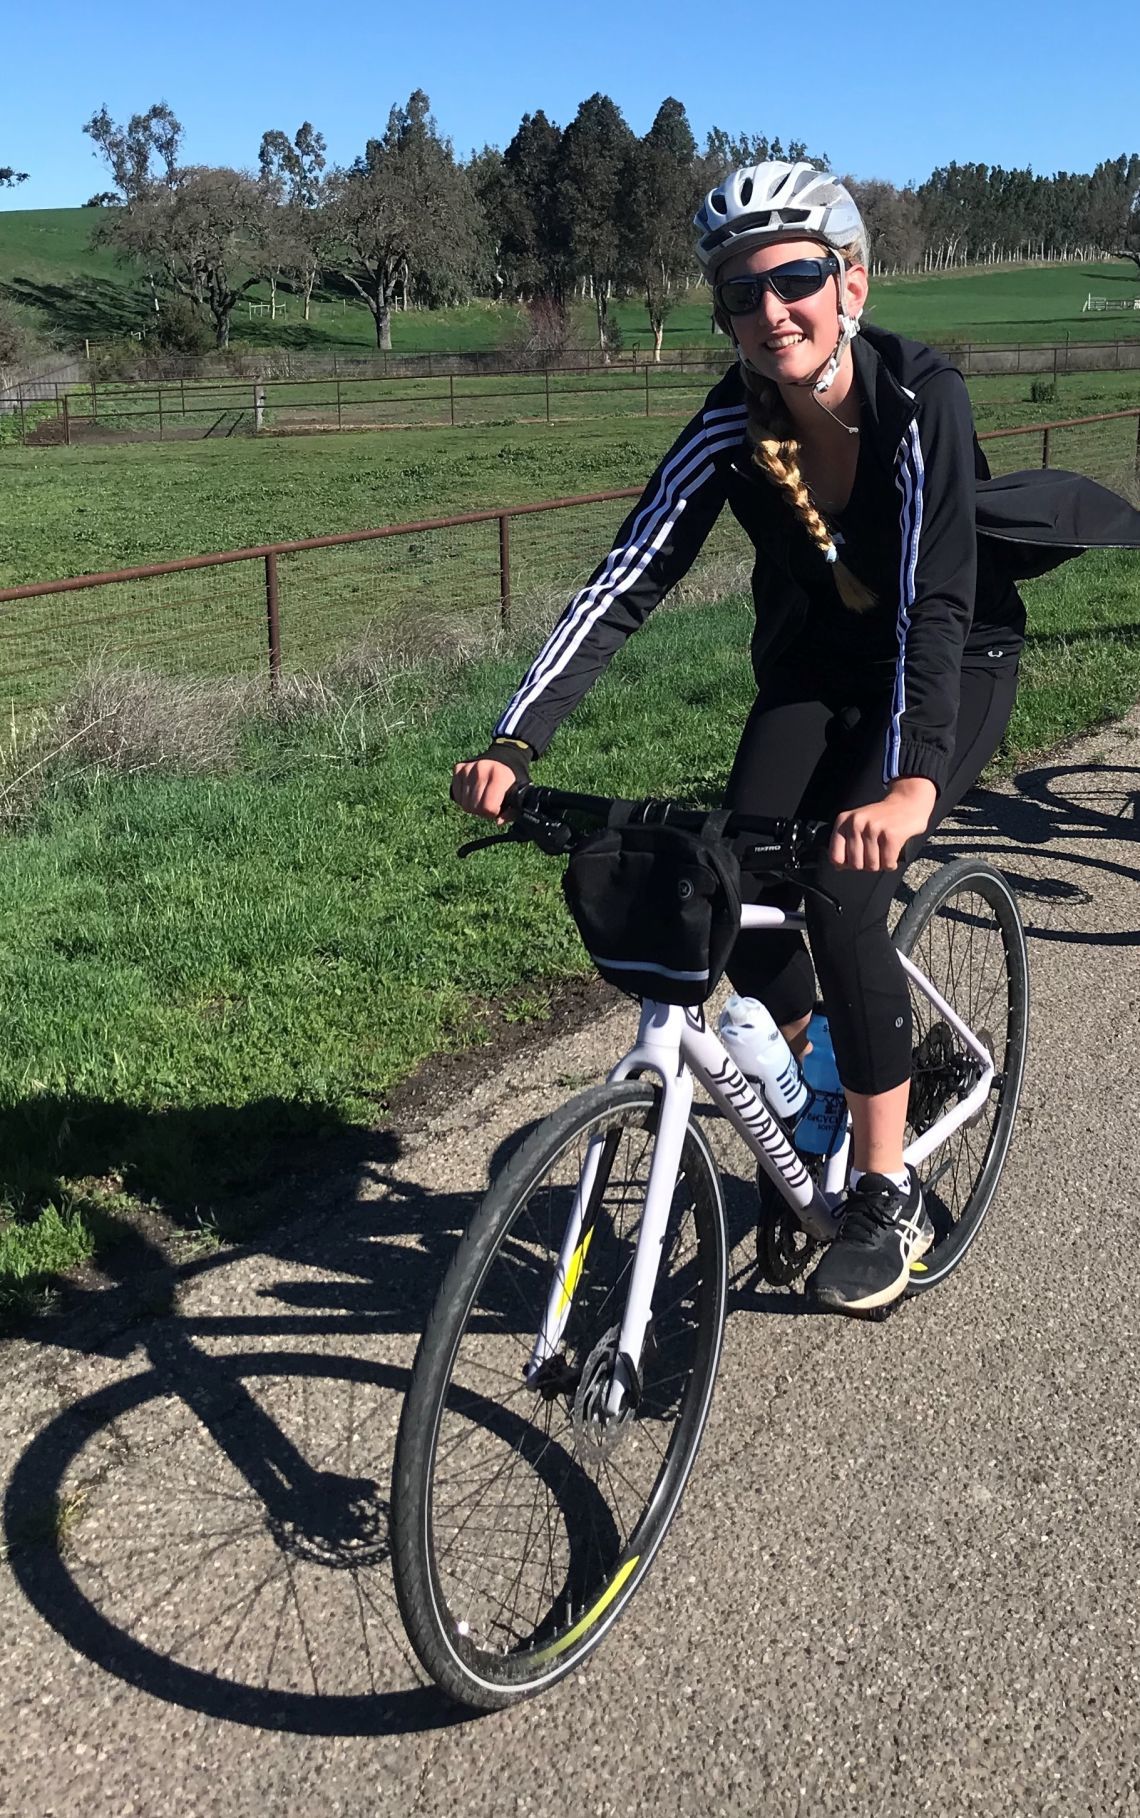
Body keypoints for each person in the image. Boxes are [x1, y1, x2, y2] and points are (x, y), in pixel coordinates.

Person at [453, 161, 1140, 1316]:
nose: (771, 310)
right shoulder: (730, 417)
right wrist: (515, 739)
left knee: (838, 883)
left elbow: (934, 597)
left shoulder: (922, 396)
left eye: (797, 278)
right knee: (731, 874)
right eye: (741, 294)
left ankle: (885, 1190)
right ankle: (827, 1086)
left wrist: (914, 781)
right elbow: (630, 575)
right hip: (817, 673)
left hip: (951, 662)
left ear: (851, 281)